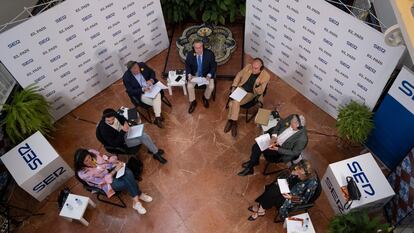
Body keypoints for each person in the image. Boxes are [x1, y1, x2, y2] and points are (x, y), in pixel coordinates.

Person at [74, 148, 153, 214]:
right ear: (81, 164)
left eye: (89, 158)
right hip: (105, 183)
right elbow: (103, 181)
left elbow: (104, 158)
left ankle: (136, 201)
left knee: (127, 171)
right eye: (86, 161)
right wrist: (115, 170)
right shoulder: (84, 174)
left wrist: (112, 161)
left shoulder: (92, 152)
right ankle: (138, 195)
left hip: (110, 169)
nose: (90, 161)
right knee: (127, 180)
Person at [246, 160, 319, 221]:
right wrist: (290, 174)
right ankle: (261, 208)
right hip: (287, 187)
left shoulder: (312, 183)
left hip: (293, 197)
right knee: (273, 187)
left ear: (303, 171)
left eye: (298, 169)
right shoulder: (297, 169)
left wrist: (291, 197)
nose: (296, 168)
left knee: (273, 190)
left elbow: (305, 200)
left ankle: (261, 208)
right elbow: (284, 175)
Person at [238, 114, 308, 176]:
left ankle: (250, 166)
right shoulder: (292, 117)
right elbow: (280, 124)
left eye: (292, 124)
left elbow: (294, 153)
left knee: (257, 147)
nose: (290, 123)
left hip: (281, 150)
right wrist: (274, 136)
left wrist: (277, 149)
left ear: (298, 126)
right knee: (257, 146)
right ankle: (253, 163)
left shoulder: (302, 139)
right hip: (274, 139)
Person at [97, 108, 167, 164]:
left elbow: (123, 118)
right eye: (108, 121)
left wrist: (126, 123)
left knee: (143, 135)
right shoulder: (104, 129)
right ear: (104, 119)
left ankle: (154, 151)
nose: (111, 121)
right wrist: (123, 131)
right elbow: (115, 143)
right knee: (143, 137)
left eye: (112, 119)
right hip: (122, 142)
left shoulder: (116, 116)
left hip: (126, 133)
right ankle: (155, 152)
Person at [224, 58, 270, 137]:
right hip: (241, 89)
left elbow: (260, 91)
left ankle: (231, 121)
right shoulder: (248, 67)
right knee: (234, 103)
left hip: (251, 93)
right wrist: (234, 86)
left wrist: (257, 85)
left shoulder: (266, 76)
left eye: (256, 68)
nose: (253, 69)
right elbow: (239, 75)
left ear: (261, 68)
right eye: (253, 67)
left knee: (233, 102)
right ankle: (233, 122)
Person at [122, 61, 164, 128]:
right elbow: (130, 91)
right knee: (157, 98)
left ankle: (157, 117)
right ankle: (158, 115)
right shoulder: (126, 77)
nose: (138, 70)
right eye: (135, 70)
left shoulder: (142, 65)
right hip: (141, 93)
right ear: (130, 70)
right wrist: (142, 90)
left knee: (157, 94)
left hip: (151, 87)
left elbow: (152, 72)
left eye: (137, 68)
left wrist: (151, 80)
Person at [185, 39, 217, 113]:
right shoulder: (190, 54)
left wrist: (209, 75)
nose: (198, 49)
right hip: (194, 75)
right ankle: (193, 102)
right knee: (189, 86)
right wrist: (189, 74)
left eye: (200, 47)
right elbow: (187, 66)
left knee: (211, 86)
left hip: (206, 75)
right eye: (196, 48)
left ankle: (205, 97)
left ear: (203, 46)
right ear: (194, 48)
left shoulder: (209, 54)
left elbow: (213, 66)